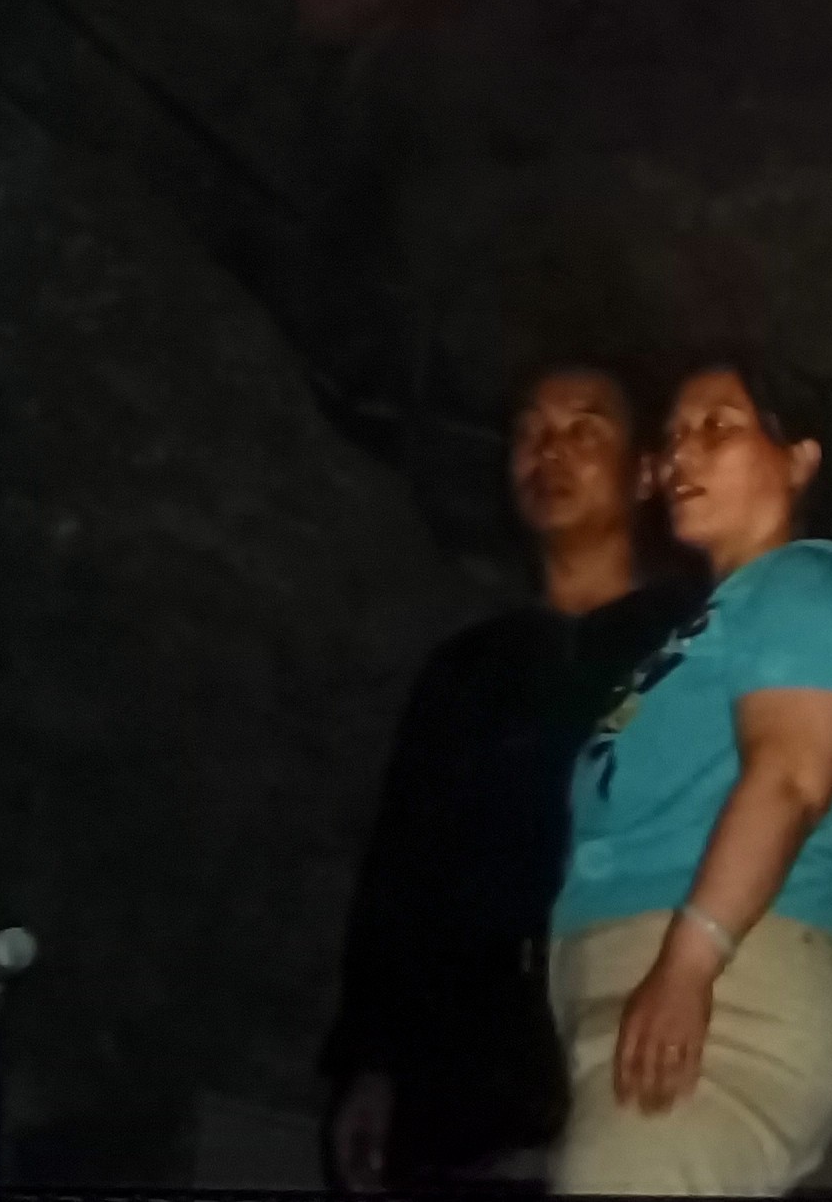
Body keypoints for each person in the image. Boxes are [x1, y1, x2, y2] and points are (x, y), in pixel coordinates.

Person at [325, 366, 697, 1191]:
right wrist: (372, 1061)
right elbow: (401, 874)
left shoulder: (694, 649)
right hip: (465, 1070)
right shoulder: (466, 671)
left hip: (631, 1041)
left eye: (584, 429)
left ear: (645, 471)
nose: (549, 450)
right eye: (530, 431)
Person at [549, 361, 832, 1196]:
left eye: (718, 426)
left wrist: (688, 964)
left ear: (799, 458)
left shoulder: (809, 581)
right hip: (665, 987)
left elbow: (789, 781)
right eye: (674, 435)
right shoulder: (715, 621)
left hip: (725, 985)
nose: (681, 453)